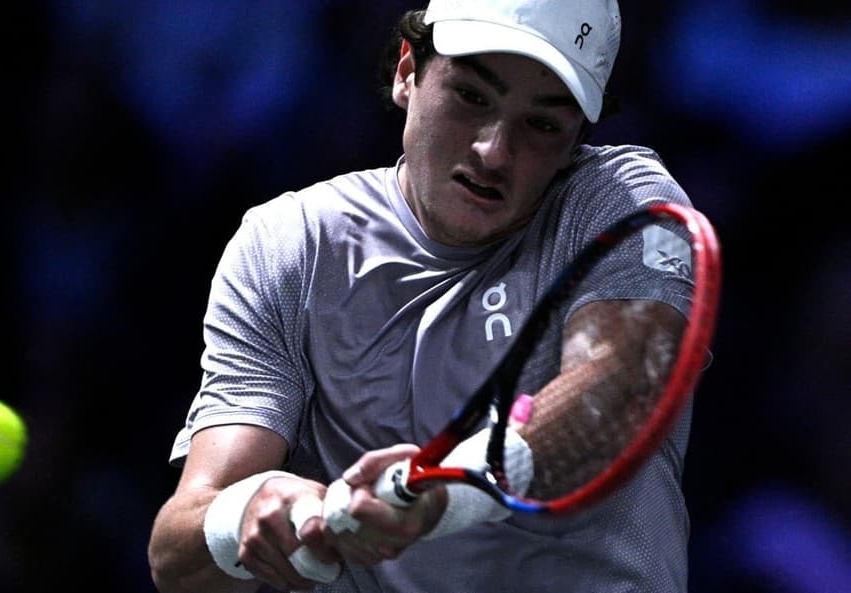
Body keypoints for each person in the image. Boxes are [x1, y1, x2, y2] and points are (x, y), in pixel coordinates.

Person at [148, 1, 700, 592]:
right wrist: (247, 514)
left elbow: (613, 395)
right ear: (407, 72)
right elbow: (176, 558)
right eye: (471, 96)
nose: (494, 151)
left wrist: (437, 492)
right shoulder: (290, 243)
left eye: (541, 125)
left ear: (576, 143)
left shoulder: (624, 206)